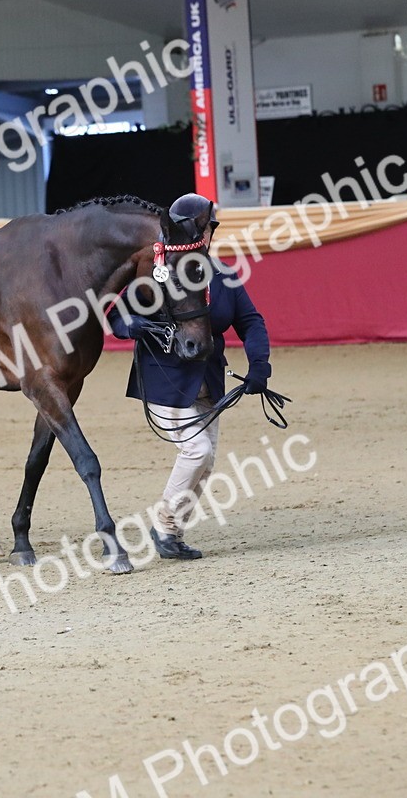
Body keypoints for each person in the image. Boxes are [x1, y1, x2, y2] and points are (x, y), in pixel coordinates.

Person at [109, 194, 271, 561]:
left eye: (208, 229)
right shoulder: (155, 274)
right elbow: (116, 317)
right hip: (165, 378)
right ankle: (163, 524)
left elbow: (250, 322)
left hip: (209, 380)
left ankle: (171, 535)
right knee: (196, 451)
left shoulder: (224, 277)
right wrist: (139, 326)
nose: (206, 235)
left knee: (207, 461)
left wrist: (260, 365)